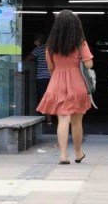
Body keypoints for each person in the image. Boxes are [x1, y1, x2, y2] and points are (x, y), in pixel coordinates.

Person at [37, 10, 94, 165]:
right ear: (75, 25)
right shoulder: (80, 42)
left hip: (57, 83)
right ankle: (77, 153)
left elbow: (50, 68)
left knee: (63, 119)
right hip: (76, 84)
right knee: (77, 121)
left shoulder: (50, 45)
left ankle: (63, 155)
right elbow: (89, 64)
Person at [25, 33, 52, 125]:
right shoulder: (52, 49)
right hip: (52, 78)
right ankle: (50, 119)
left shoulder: (40, 48)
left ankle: (47, 119)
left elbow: (28, 58)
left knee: (44, 98)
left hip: (42, 77)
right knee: (51, 98)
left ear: (38, 41)